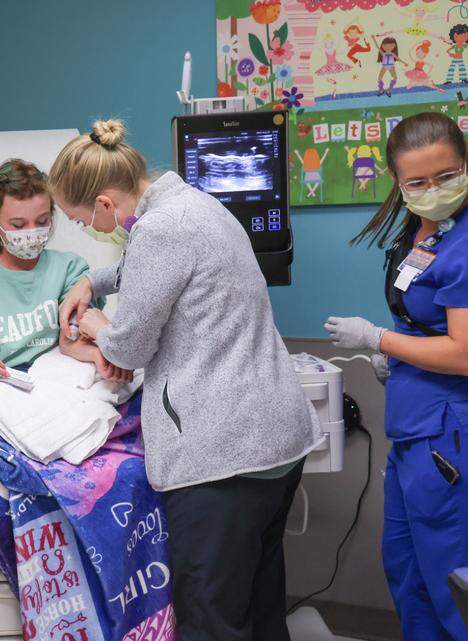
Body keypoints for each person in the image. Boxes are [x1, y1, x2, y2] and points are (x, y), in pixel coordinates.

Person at [49, 119, 322, 641]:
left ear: (105, 204)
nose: (87, 229)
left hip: (225, 455)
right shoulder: (196, 204)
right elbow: (151, 270)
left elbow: (129, 348)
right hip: (276, 439)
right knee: (260, 607)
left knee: (210, 619)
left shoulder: (160, 230)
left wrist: (96, 326)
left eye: (81, 220)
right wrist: (91, 279)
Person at [325, 112, 468, 641]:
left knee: (450, 579)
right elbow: (427, 319)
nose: (434, 190)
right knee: (408, 571)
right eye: (418, 182)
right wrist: (401, 358)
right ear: (398, 181)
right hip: (414, 430)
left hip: (448, 435)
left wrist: (378, 339)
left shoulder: (465, 244)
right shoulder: (420, 227)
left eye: (447, 176)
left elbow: (463, 353)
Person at [0, 158, 131, 382]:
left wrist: (94, 352)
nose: (32, 231)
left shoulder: (70, 269)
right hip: (3, 382)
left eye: (42, 220)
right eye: (18, 225)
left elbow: (77, 335)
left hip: (63, 377)